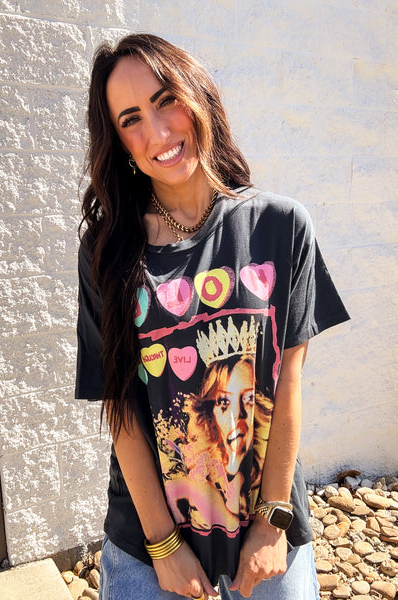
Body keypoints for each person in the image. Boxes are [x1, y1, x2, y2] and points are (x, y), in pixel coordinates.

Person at [75, 33, 349, 600]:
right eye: (131, 119)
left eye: (166, 100)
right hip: (148, 540)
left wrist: (272, 522)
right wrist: (163, 546)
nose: (157, 132)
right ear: (119, 143)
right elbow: (119, 404)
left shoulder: (280, 227)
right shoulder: (108, 250)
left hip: (267, 530)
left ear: (197, 95)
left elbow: (287, 382)